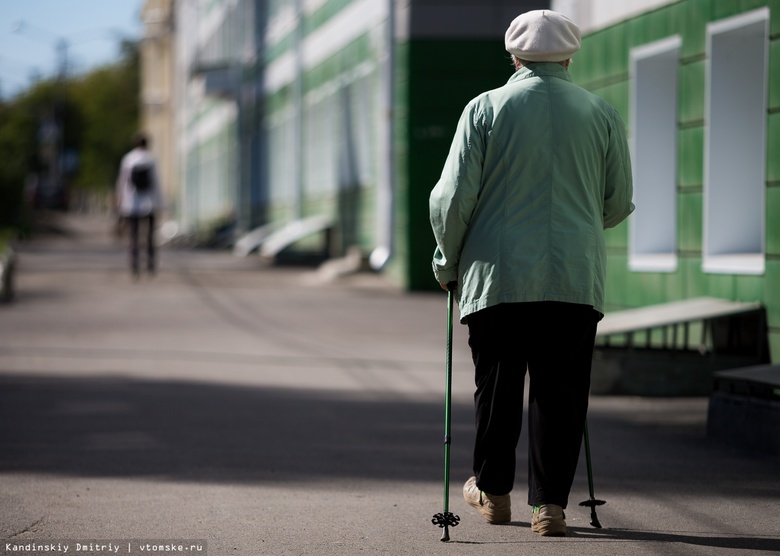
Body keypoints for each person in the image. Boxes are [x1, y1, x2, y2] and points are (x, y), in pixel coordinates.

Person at [429, 9, 634, 537]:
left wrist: (447, 263)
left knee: (496, 389)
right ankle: (551, 507)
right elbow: (616, 202)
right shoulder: (601, 112)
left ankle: (493, 493)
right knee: (561, 394)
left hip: (497, 277)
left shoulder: (485, 109)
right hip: (573, 274)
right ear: (569, 57)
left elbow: (452, 199)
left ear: (514, 57)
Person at [116, 133, 163, 278]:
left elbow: (123, 182)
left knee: (133, 236)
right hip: (149, 203)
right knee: (149, 235)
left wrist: (120, 201)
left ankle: (134, 264)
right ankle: (150, 264)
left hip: (132, 203)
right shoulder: (152, 159)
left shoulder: (128, 159)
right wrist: (160, 203)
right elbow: (156, 183)